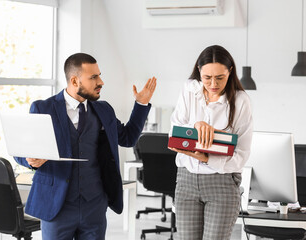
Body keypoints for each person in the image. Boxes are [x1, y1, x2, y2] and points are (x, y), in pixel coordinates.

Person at [14, 53, 156, 240]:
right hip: (57, 205)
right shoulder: (43, 108)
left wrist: (141, 103)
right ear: (74, 80)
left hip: (94, 206)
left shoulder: (104, 109)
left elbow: (128, 138)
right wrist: (30, 159)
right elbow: (21, 151)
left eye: (99, 75)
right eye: (93, 77)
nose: (101, 82)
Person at [169, 45, 253, 240]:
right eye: (207, 77)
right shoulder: (189, 90)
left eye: (220, 78)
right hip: (186, 181)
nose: (213, 84)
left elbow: (241, 155)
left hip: (221, 183)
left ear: (230, 72)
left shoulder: (241, 101)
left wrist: (207, 158)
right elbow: (174, 134)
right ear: (199, 71)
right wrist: (196, 125)